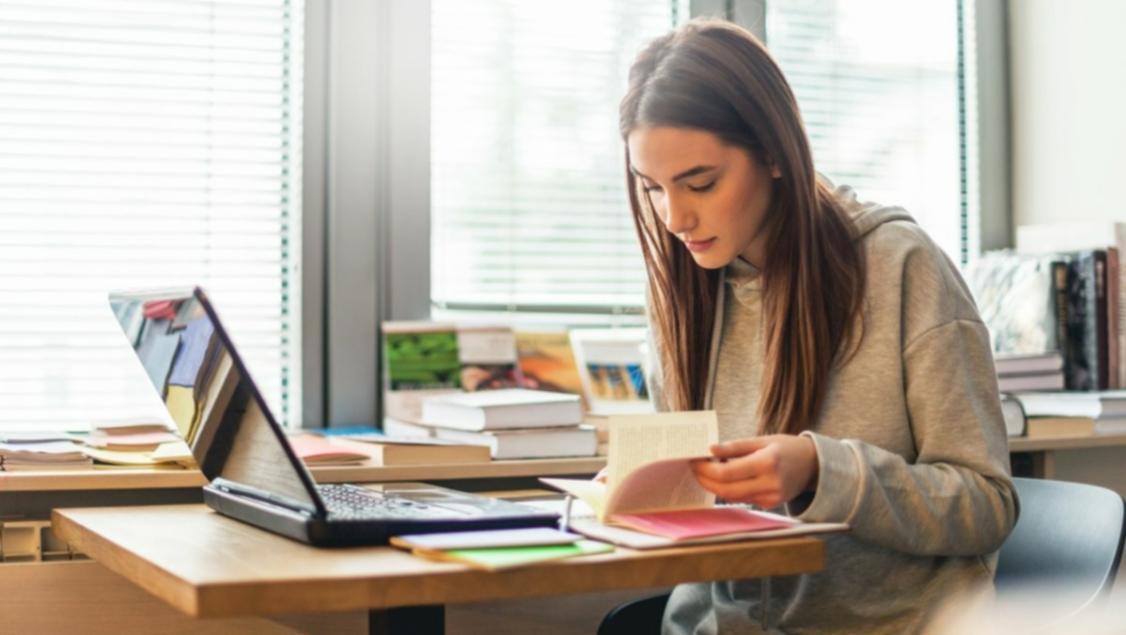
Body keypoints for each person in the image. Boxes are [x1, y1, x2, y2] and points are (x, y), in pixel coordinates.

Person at [617, 19, 1017, 634]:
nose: (674, 217)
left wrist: (823, 471)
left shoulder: (899, 266)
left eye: (700, 183)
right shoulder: (683, 288)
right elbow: (698, 512)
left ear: (775, 154)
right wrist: (645, 494)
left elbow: (986, 505)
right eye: (652, 188)